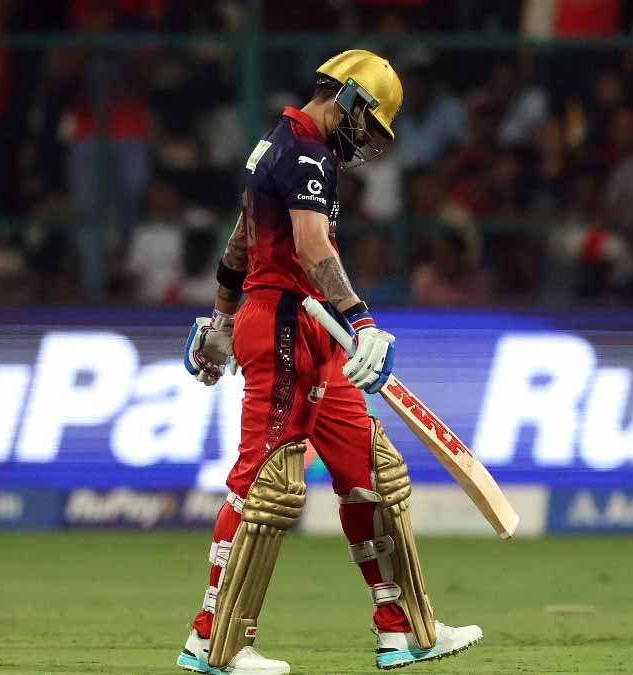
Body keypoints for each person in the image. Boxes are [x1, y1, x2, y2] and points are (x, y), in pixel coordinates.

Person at [177, 50, 482, 674]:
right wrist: (361, 319)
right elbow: (312, 246)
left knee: (375, 476)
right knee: (266, 487)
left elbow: (240, 241)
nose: (366, 141)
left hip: (309, 328)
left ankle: (405, 630)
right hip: (286, 326)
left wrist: (221, 318)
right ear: (347, 99)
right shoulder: (306, 154)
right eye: (368, 124)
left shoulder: (281, 144)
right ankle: (214, 643)